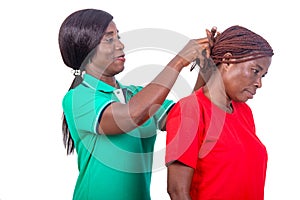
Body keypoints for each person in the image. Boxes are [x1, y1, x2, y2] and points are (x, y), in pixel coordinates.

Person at [59, 8, 215, 200]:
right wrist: (178, 62)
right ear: (86, 48)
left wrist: (207, 65)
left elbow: (188, 117)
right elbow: (130, 116)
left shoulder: (137, 94)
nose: (121, 45)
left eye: (119, 37)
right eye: (109, 39)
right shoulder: (78, 98)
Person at [165, 25, 274, 200]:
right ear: (228, 61)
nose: (259, 83)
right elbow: (177, 191)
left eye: (263, 75)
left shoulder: (245, 113)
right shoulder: (190, 110)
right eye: (255, 71)